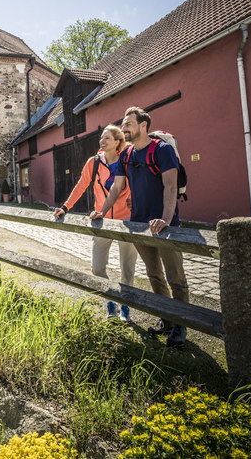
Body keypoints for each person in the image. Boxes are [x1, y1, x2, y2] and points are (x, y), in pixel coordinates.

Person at [90, 107, 189, 347]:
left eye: (128, 123)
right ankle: (166, 320)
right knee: (154, 275)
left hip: (165, 227)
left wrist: (165, 219)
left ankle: (182, 325)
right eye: (122, 124)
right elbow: (116, 187)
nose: (124, 128)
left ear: (143, 125)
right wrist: (101, 211)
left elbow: (170, 186)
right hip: (138, 225)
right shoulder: (127, 155)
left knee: (175, 277)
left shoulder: (162, 150)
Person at [53, 125, 138, 322]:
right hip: (102, 220)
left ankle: (125, 308)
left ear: (117, 141)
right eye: (101, 137)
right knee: (96, 267)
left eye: (107, 137)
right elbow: (81, 186)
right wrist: (65, 207)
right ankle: (111, 301)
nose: (102, 140)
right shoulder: (94, 163)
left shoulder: (127, 161)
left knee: (127, 269)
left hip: (127, 221)